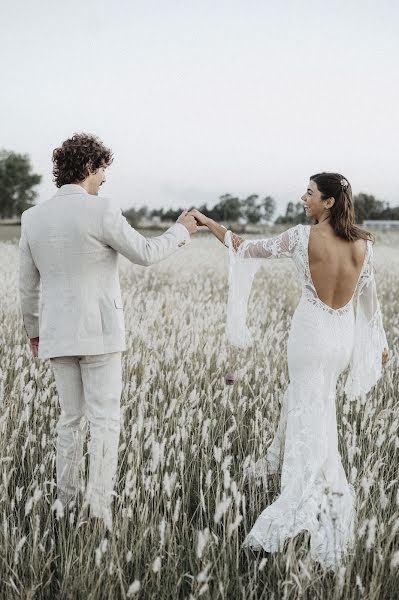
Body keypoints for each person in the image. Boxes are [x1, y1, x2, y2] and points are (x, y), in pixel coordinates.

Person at [190, 172, 388, 570]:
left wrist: (208, 222)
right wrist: (379, 347)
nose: (304, 197)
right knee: (316, 406)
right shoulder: (363, 245)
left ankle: (300, 496)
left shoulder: (301, 237)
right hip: (340, 341)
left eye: (310, 193)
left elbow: (244, 248)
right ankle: (293, 468)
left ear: (328, 202)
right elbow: (370, 306)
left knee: (305, 406)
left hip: (311, 337)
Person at [18, 133, 198, 530]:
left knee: (70, 420)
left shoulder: (32, 217)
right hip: (100, 333)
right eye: (102, 171)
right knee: (104, 421)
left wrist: (34, 331)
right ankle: (98, 511)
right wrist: (181, 230)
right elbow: (147, 254)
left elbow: (26, 285)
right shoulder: (101, 211)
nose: (103, 180)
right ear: (88, 168)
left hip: (55, 334)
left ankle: (64, 506)